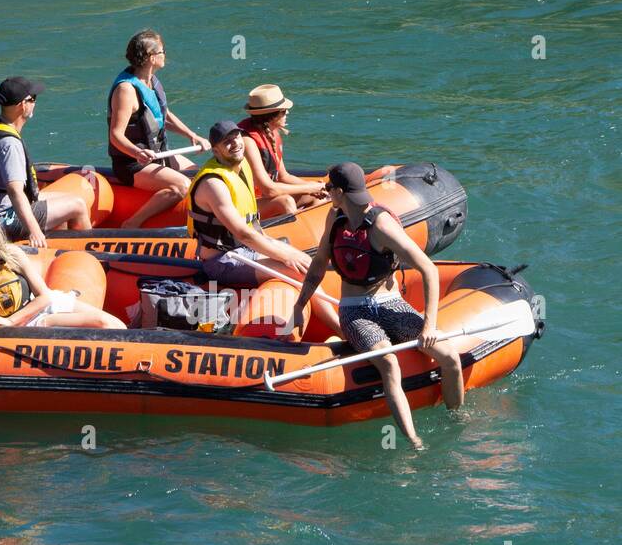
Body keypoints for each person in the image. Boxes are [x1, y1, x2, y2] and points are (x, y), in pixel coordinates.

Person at [286, 162, 464, 450]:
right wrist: (299, 305)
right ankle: (414, 442)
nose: (326, 192)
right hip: (354, 310)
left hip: (390, 303)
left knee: (449, 357)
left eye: (329, 188)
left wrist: (429, 325)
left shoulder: (382, 225)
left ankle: (456, 423)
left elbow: (428, 270)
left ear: (340, 192)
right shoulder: (335, 219)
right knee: (389, 363)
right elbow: (319, 265)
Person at [188, 121, 340, 334]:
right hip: (223, 261)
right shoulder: (213, 184)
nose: (235, 144)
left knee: (307, 262)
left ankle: (340, 321)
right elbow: (243, 233)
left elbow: (250, 224)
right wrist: (285, 256)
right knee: (298, 269)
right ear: (215, 150)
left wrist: (281, 250)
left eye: (237, 138)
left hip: (245, 251)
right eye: (227, 142)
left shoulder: (240, 168)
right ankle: (340, 330)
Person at [0, 214, 126, 334]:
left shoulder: (12, 254)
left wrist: (12, 322)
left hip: (35, 311)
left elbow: (44, 296)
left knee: (115, 325)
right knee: (103, 325)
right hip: (21, 325)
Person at [0, 77, 92, 247]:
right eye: (33, 98)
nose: (35, 103)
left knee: (69, 198)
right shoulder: (9, 144)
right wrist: (34, 230)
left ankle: (60, 248)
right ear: (22, 105)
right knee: (77, 206)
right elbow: (15, 191)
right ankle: (88, 255)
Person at [108, 30, 209, 227]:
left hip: (159, 153)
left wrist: (191, 135)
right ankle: (132, 223)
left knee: (199, 176)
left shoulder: (151, 81)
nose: (165, 55)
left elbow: (162, 116)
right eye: (163, 51)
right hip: (133, 163)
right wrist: (137, 152)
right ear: (152, 57)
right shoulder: (126, 90)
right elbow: (115, 135)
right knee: (182, 186)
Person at [238, 85, 326, 216]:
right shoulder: (247, 141)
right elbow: (268, 190)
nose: (288, 113)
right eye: (284, 111)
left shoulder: (272, 132)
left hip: (262, 199)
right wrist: (309, 188)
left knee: (318, 197)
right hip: (244, 204)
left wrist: (317, 189)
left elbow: (283, 176)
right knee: (285, 202)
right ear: (271, 116)